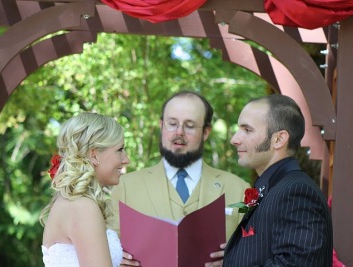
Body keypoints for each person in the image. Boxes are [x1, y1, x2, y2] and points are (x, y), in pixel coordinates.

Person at [108, 91, 250, 266]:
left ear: (206, 132)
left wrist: (236, 258)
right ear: (161, 125)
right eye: (172, 123)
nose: (179, 132)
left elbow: (257, 253)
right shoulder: (125, 186)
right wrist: (116, 259)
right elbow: (105, 250)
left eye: (189, 125)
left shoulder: (240, 189)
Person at [223, 94, 333, 266]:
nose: (234, 139)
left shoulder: (297, 193)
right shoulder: (274, 189)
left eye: (247, 130)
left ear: (279, 139)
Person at [40, 112, 130, 267]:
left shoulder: (73, 202)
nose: (126, 159)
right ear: (94, 155)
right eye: (120, 149)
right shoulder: (83, 206)